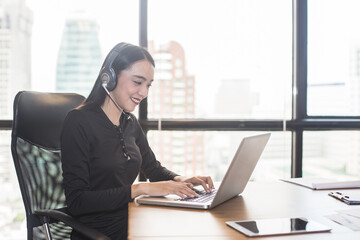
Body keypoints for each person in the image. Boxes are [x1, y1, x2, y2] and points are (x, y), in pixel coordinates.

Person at [60, 42, 214, 240]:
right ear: (110, 77)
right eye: (137, 82)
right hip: (99, 233)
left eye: (148, 85)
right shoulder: (78, 121)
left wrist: (180, 179)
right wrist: (139, 189)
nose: (144, 93)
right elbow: (77, 201)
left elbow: (153, 169)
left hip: (134, 221)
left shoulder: (129, 122)